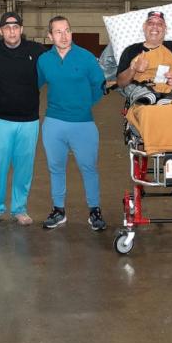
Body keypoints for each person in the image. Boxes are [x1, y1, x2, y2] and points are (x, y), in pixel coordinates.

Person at [36, 16, 107, 232]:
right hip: (53, 123)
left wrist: (83, 104)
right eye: (58, 32)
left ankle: (94, 210)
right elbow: (34, 85)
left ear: (71, 33)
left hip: (83, 124)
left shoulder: (86, 57)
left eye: (67, 30)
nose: (64, 36)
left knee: (88, 168)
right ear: (50, 36)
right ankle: (58, 210)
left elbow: (99, 86)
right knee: (55, 168)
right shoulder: (44, 61)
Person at [0, 11, 47, 227]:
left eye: (15, 27)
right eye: (7, 27)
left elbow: (55, 63)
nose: (11, 31)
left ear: (21, 29)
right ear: (1, 31)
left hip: (28, 121)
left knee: (24, 167)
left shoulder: (36, 51)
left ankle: (20, 209)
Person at [116, 10, 172, 97]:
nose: (155, 26)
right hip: (143, 96)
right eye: (150, 23)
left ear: (165, 29)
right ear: (144, 27)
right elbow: (121, 83)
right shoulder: (130, 50)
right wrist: (133, 68)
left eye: (160, 24)